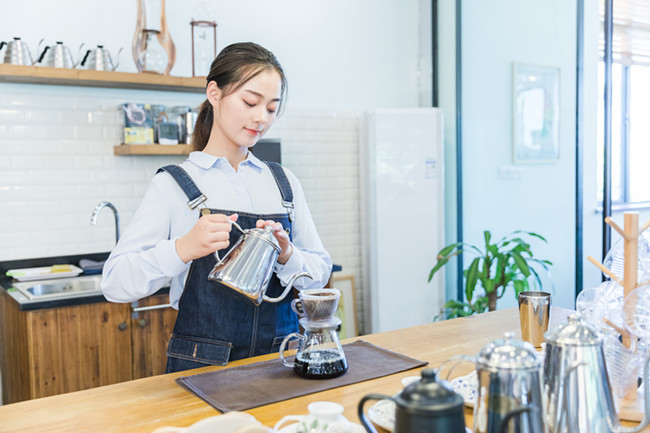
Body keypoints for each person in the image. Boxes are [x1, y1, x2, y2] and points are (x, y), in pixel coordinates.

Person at [101, 42, 332, 373]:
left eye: (270, 108)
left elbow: (319, 274)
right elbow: (115, 283)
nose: (260, 118)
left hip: (282, 359)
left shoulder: (284, 183)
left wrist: (287, 255)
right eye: (250, 102)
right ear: (214, 93)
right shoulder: (173, 184)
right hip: (202, 365)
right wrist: (183, 248)